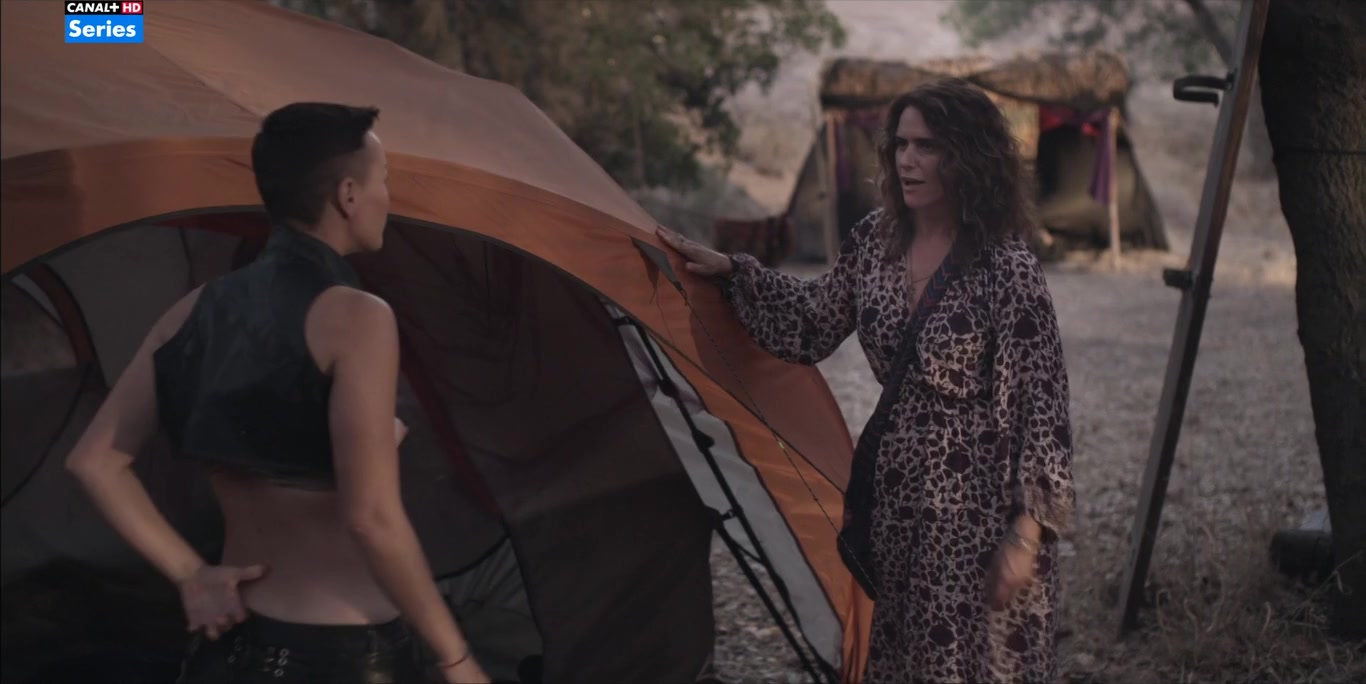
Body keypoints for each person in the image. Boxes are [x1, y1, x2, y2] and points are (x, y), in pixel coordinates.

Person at [658, 79, 1074, 682]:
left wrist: (1026, 534)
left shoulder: (1006, 267)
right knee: (906, 656)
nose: (908, 160)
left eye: (927, 146)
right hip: (897, 497)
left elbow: (1043, 410)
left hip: (976, 506)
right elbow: (811, 321)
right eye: (901, 144)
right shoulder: (874, 243)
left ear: (969, 156)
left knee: (977, 662)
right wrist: (733, 274)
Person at [64, 102, 490, 684]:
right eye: (385, 181)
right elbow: (370, 517)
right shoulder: (359, 317)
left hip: (226, 648)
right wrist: (455, 658)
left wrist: (191, 573)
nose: (388, 198)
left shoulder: (193, 309)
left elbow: (94, 463)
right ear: (348, 195)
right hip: (342, 656)